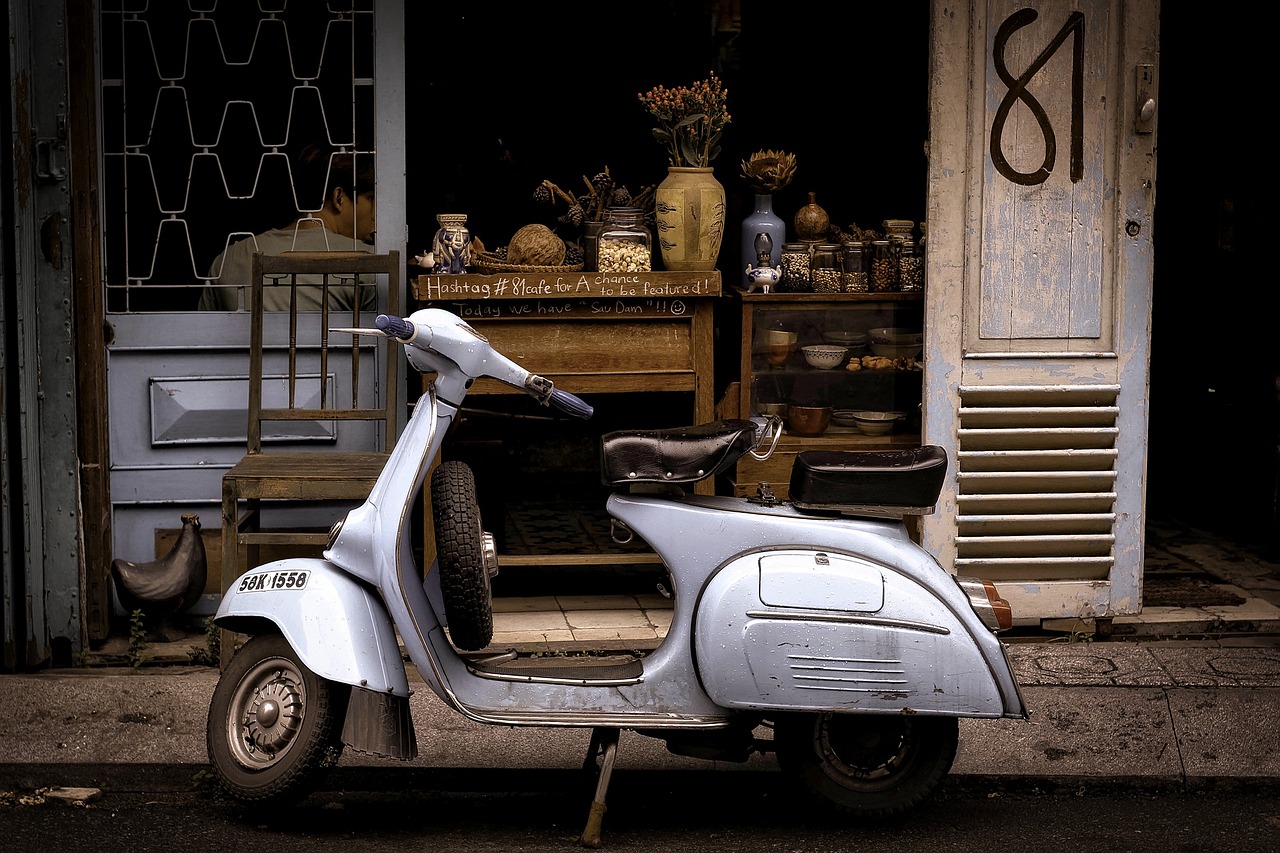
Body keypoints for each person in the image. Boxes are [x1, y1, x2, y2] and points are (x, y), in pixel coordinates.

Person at [198, 145, 378, 311]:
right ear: (338, 198)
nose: (376, 213)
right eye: (370, 198)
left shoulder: (227, 259)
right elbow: (386, 340)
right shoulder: (366, 260)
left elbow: (203, 337)